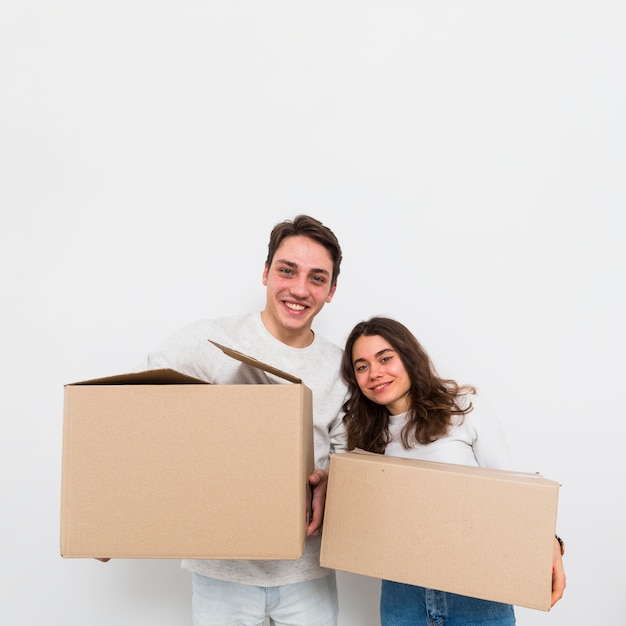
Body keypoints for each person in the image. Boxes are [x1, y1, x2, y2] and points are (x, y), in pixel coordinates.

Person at [101, 215, 348, 626]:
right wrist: (114, 517)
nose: (300, 289)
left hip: (307, 572)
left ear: (331, 291)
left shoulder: (340, 367)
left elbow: (346, 452)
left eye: (317, 278)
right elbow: (136, 414)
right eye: (287, 271)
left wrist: (333, 480)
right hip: (222, 572)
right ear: (266, 272)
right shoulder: (209, 343)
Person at [340, 316, 566, 626]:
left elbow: (513, 492)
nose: (375, 373)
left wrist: (550, 542)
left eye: (385, 358)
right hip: (402, 593)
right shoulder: (364, 435)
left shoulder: (463, 409)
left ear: (408, 357)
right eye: (361, 366)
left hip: (478, 589)